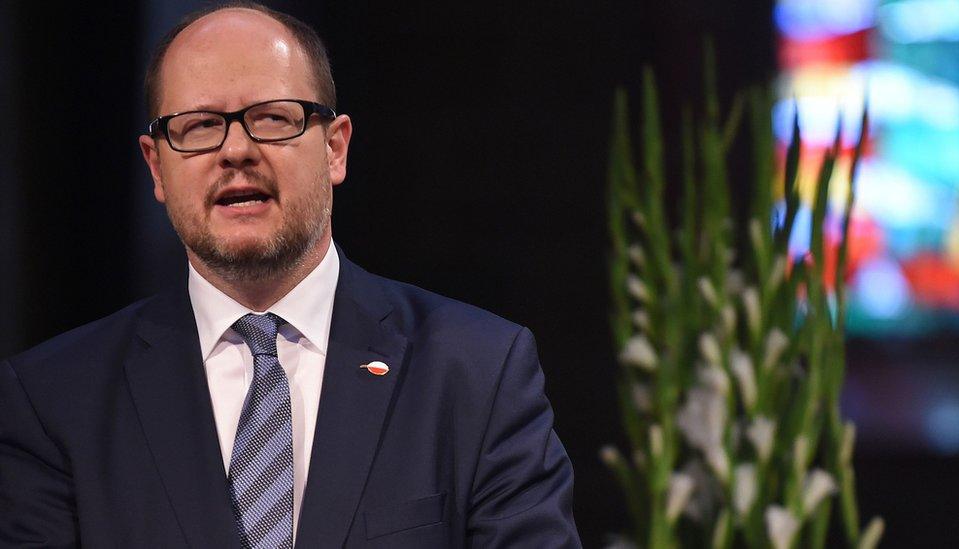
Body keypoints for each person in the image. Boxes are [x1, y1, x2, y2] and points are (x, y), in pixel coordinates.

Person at [0, 3, 581, 548]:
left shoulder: (477, 372)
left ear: (335, 149)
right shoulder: (52, 402)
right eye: (200, 126)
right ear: (156, 165)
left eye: (272, 119)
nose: (235, 150)